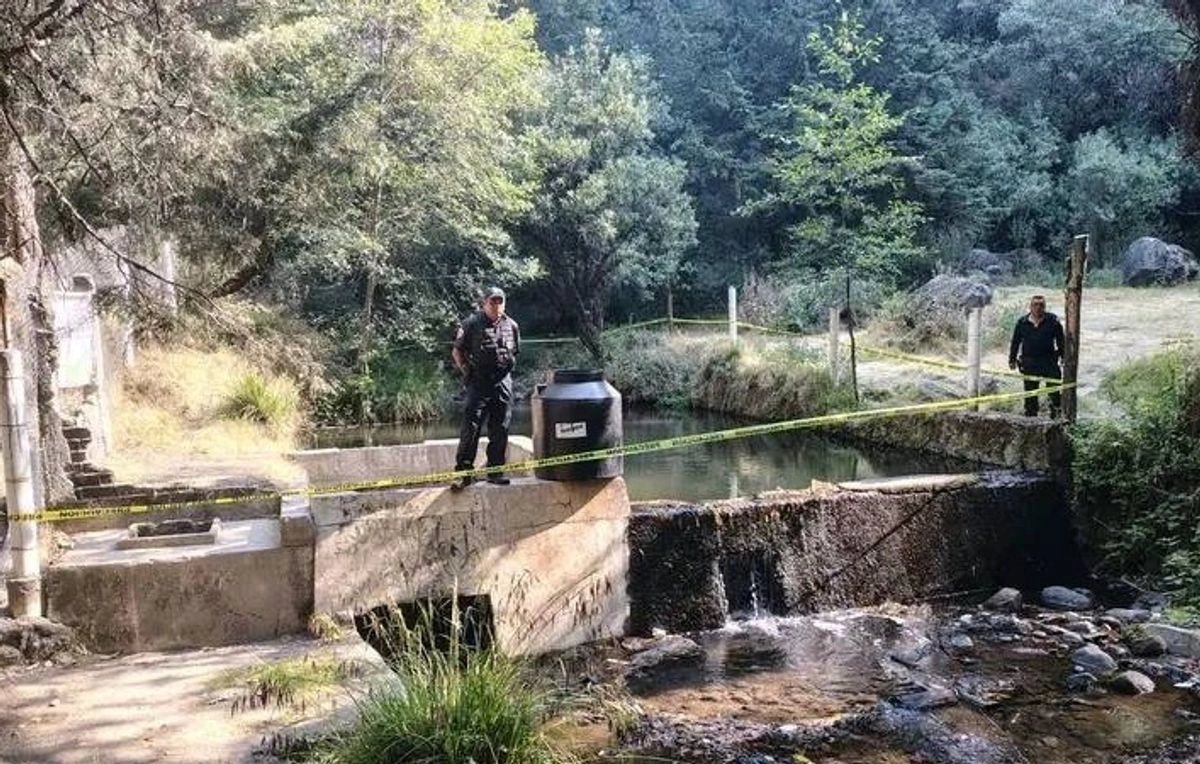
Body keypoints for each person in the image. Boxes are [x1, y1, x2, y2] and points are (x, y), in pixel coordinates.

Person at [450, 286, 520, 489]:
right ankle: (463, 473)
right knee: (471, 428)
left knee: (500, 428)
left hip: (502, 382)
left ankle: (495, 471)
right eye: (492, 302)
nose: (496, 305)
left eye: (500, 301)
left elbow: (514, 351)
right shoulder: (472, 324)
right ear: (484, 303)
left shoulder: (512, 325)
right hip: (478, 382)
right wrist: (466, 371)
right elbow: (457, 351)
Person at [1008, 294, 1064, 418]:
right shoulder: (1022, 322)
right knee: (1030, 395)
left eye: (1041, 305)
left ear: (1045, 307)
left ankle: (1056, 419)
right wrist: (1012, 360)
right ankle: (1030, 420)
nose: (1038, 308)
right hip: (1029, 363)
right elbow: (1015, 342)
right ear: (1030, 307)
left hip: (1048, 361)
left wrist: (1063, 356)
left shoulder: (1053, 321)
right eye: (1035, 305)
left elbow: (1061, 340)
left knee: (1054, 393)